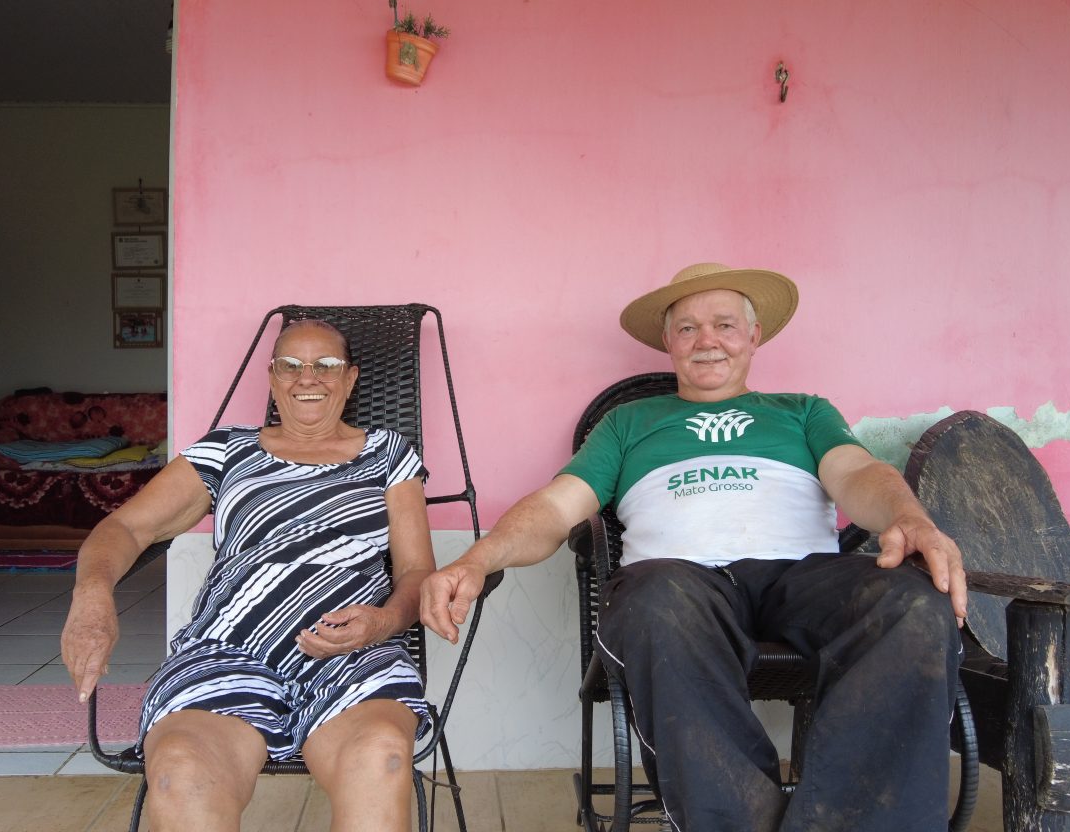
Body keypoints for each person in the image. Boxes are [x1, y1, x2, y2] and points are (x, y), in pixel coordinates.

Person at [421, 263, 968, 832]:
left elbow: (856, 473)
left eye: (724, 325)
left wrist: (908, 517)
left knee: (912, 603)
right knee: (655, 601)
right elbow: (557, 507)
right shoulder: (628, 422)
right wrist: (478, 558)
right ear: (668, 342)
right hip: (679, 583)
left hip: (803, 576)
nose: (707, 340)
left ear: (753, 336)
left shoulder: (803, 410)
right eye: (688, 328)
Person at [62, 319, 434, 832]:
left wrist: (384, 623)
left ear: (350, 379)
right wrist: (92, 595)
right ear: (272, 377)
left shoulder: (388, 453)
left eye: (326, 366)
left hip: (353, 652)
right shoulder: (227, 450)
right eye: (291, 365)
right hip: (226, 650)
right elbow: (125, 527)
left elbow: (417, 571)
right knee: (181, 770)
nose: (308, 377)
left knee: (381, 756)